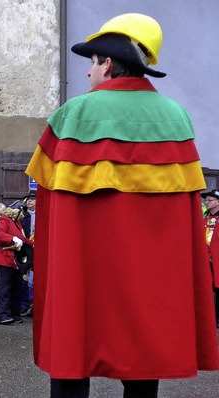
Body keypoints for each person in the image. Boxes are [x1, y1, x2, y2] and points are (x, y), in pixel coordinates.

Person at [25, 13, 219, 398]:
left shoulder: (73, 115)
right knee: (142, 355)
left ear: (108, 63)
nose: (88, 73)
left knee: (72, 347)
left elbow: (48, 207)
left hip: (81, 275)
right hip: (149, 281)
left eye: (91, 63)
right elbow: (185, 221)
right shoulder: (176, 120)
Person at [0, 203, 26, 325]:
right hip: (3, 258)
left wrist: (32, 244)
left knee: (16, 287)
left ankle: (13, 314)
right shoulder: (4, 220)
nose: (22, 215)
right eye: (21, 213)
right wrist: (12, 239)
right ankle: (1, 315)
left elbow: (23, 239)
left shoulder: (17, 224)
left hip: (13, 260)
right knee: (4, 288)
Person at [201, 189, 219, 328]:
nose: (206, 203)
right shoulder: (205, 217)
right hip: (205, 259)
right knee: (206, 288)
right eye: (205, 200)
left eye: (210, 200)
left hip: (217, 259)